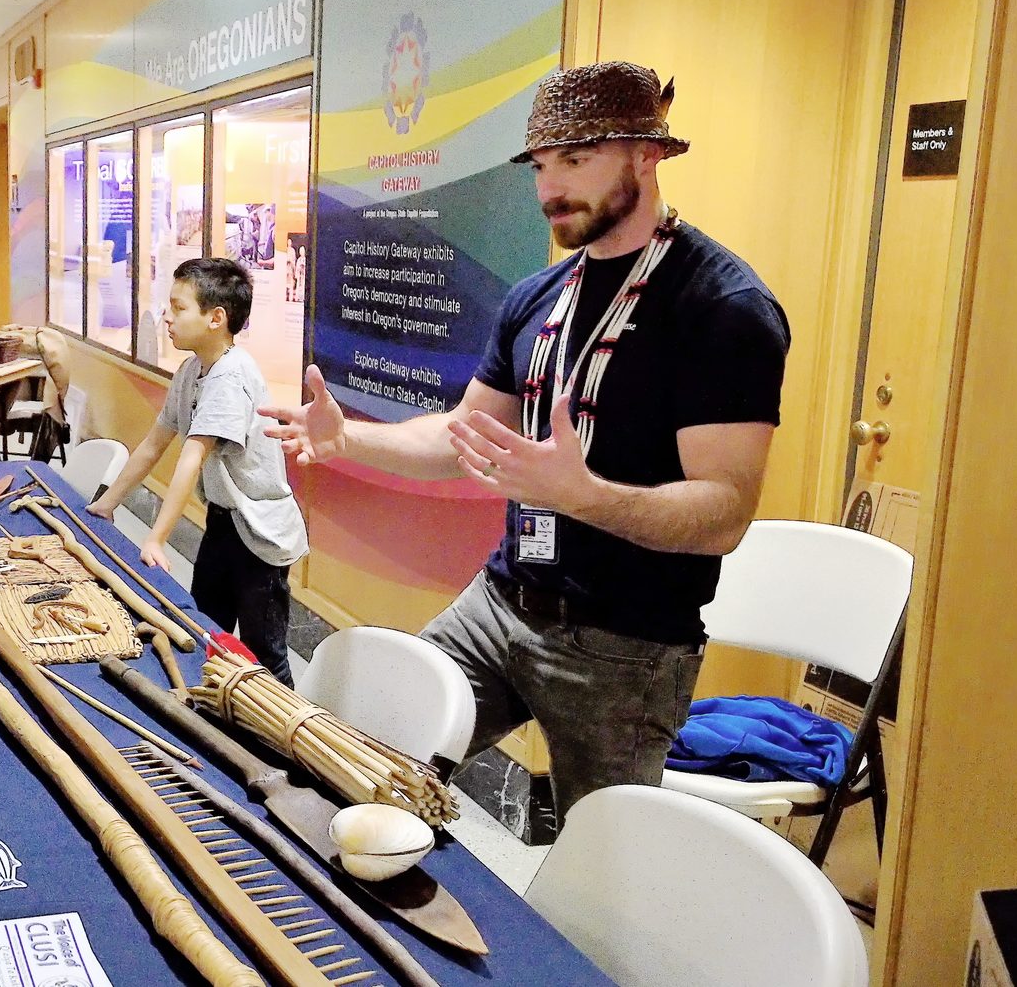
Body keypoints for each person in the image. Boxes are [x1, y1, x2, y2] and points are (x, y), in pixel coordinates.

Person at [261, 62, 790, 820]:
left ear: (648, 155)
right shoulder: (537, 297)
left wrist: (584, 497)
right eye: (542, 165)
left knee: (603, 864)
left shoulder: (723, 307)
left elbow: (725, 511)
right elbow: (463, 436)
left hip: (626, 646)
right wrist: (349, 440)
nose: (550, 187)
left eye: (576, 160)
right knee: (364, 758)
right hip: (500, 603)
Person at [89, 258, 308, 684]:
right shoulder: (192, 370)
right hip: (223, 523)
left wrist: (156, 539)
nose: (167, 316)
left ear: (216, 318)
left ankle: (280, 743)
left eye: (179, 307)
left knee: (264, 653)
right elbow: (154, 444)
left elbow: (191, 459)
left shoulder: (231, 376)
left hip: (259, 535)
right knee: (208, 630)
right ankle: (215, 717)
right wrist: (107, 503)